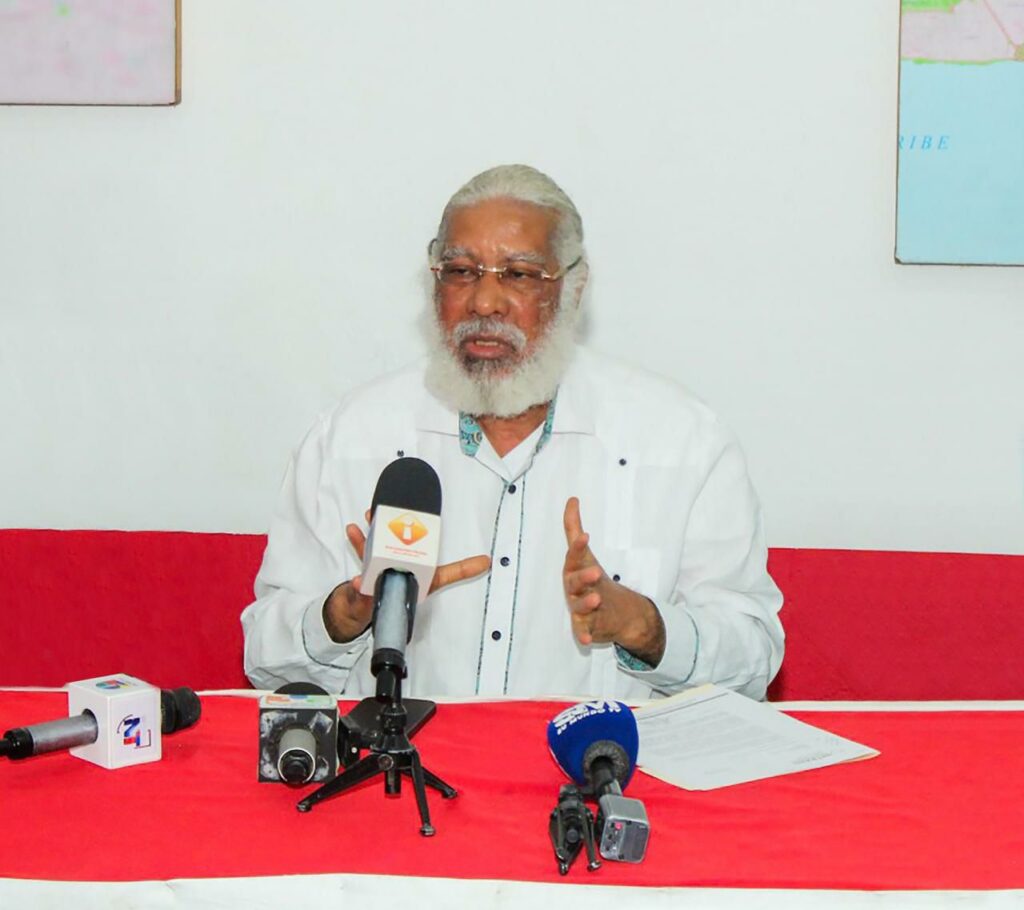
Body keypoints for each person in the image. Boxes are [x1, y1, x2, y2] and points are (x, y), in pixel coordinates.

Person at [241, 164, 783, 700]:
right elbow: (265, 660)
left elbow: (754, 659)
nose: (484, 303)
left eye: (519, 275)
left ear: (573, 288)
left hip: (603, 757)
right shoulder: (351, 436)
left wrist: (642, 626)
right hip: (406, 756)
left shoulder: (681, 440)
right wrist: (344, 615)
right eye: (461, 271)